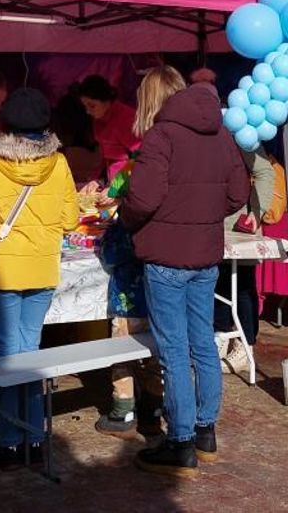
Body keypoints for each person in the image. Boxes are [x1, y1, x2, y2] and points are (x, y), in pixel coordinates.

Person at [121, 72, 248, 478]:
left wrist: (126, 219)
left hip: (167, 258)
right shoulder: (221, 133)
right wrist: (203, 214)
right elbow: (238, 192)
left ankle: (179, 442)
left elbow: (142, 197)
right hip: (205, 257)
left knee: (175, 350)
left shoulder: (163, 136)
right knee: (202, 344)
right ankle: (204, 431)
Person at [0, 86, 79, 470]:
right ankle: (35, 437)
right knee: (31, 351)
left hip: (5, 272)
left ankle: (8, 440)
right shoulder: (59, 163)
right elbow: (71, 219)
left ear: (6, 124)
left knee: (8, 355)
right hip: (43, 268)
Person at [94, 66, 182, 442]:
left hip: (135, 276)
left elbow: (123, 235)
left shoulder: (142, 162)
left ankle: (123, 410)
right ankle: (155, 405)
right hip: (176, 270)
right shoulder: (192, 149)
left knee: (125, 340)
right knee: (163, 342)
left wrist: (108, 235)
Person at [215, 146, 276, 375]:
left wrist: (257, 211)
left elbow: (264, 172)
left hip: (240, 226)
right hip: (211, 224)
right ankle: (220, 337)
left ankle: (245, 345)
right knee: (216, 283)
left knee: (242, 286)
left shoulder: (240, 133)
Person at [80, 74, 139, 183]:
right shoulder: (98, 119)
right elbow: (106, 157)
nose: (88, 111)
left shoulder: (127, 118)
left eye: (92, 106)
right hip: (113, 183)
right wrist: (95, 180)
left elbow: (139, 158)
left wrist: (116, 188)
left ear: (106, 100)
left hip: (131, 185)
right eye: (85, 106)